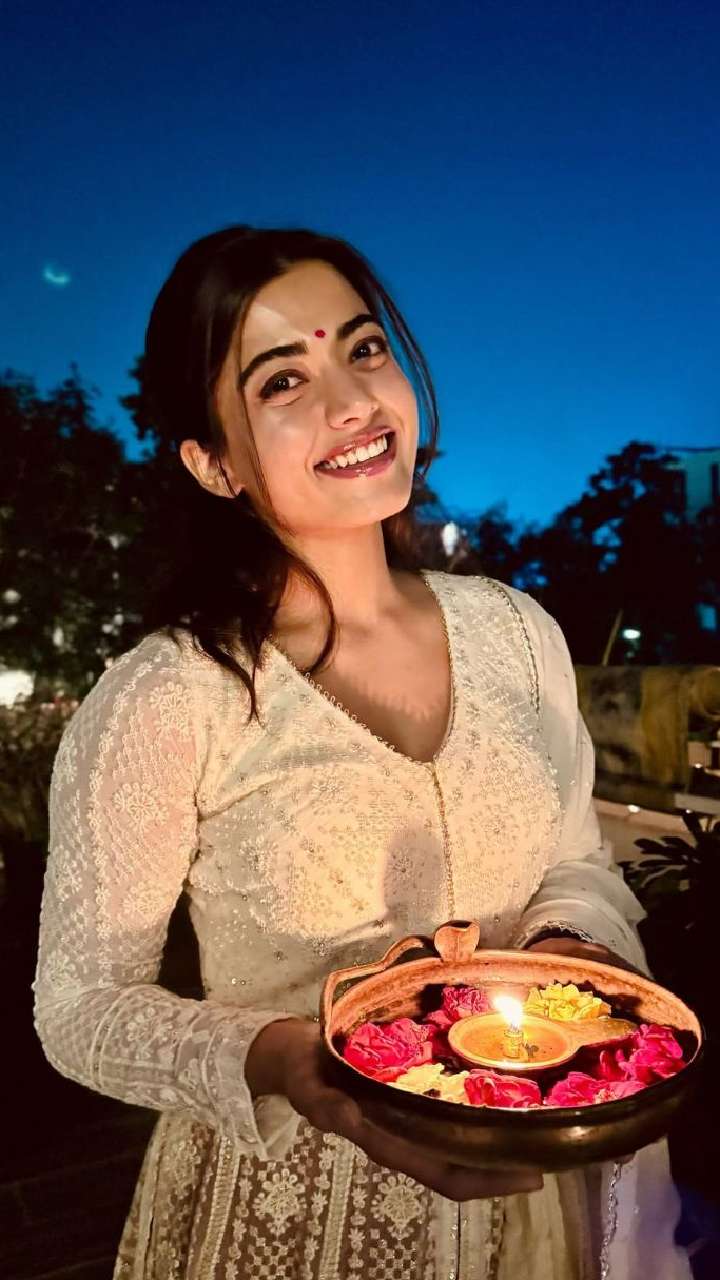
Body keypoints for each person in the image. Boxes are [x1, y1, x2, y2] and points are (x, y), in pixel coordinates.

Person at [33, 226, 691, 1279]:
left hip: (530, 1205)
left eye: (364, 348)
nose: (352, 400)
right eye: (283, 380)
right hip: (291, 1219)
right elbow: (80, 1007)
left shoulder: (516, 633)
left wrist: (574, 957)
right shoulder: (171, 695)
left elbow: (575, 859)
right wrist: (290, 1062)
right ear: (212, 461)